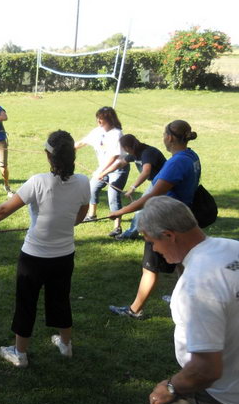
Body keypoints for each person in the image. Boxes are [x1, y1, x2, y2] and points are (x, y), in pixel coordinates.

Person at [0, 130, 90, 366]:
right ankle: (66, 345)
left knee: (26, 302)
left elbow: (4, 209)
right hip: (64, 256)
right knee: (61, 299)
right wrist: (65, 223)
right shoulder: (84, 181)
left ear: (48, 155)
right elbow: (82, 213)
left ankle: (20, 354)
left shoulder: (38, 181)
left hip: (34, 258)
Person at [133, 196, 239, 404]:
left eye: (152, 243)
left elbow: (206, 370)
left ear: (169, 235)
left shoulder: (196, 286)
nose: (155, 251)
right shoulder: (232, 248)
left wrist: (170, 387)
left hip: (220, 397)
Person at [108, 120, 201, 318]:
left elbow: (151, 197)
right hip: (183, 217)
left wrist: (121, 211)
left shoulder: (177, 162)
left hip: (166, 219)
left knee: (149, 268)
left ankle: (135, 310)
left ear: (169, 137)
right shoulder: (191, 156)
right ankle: (181, 295)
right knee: (182, 261)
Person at [98, 134, 167, 240]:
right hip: (158, 181)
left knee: (141, 207)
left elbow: (146, 172)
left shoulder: (147, 153)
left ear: (127, 147)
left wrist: (133, 187)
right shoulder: (135, 153)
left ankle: (130, 234)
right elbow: (120, 163)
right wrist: (103, 173)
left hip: (163, 182)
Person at [75, 106, 129, 236]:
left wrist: (102, 173)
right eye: (98, 119)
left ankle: (117, 227)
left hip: (117, 169)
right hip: (102, 168)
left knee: (113, 196)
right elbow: (83, 142)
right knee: (91, 189)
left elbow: (114, 156)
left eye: (101, 120)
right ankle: (92, 215)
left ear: (109, 120)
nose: (98, 122)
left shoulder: (116, 134)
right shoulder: (97, 131)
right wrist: (69, 149)